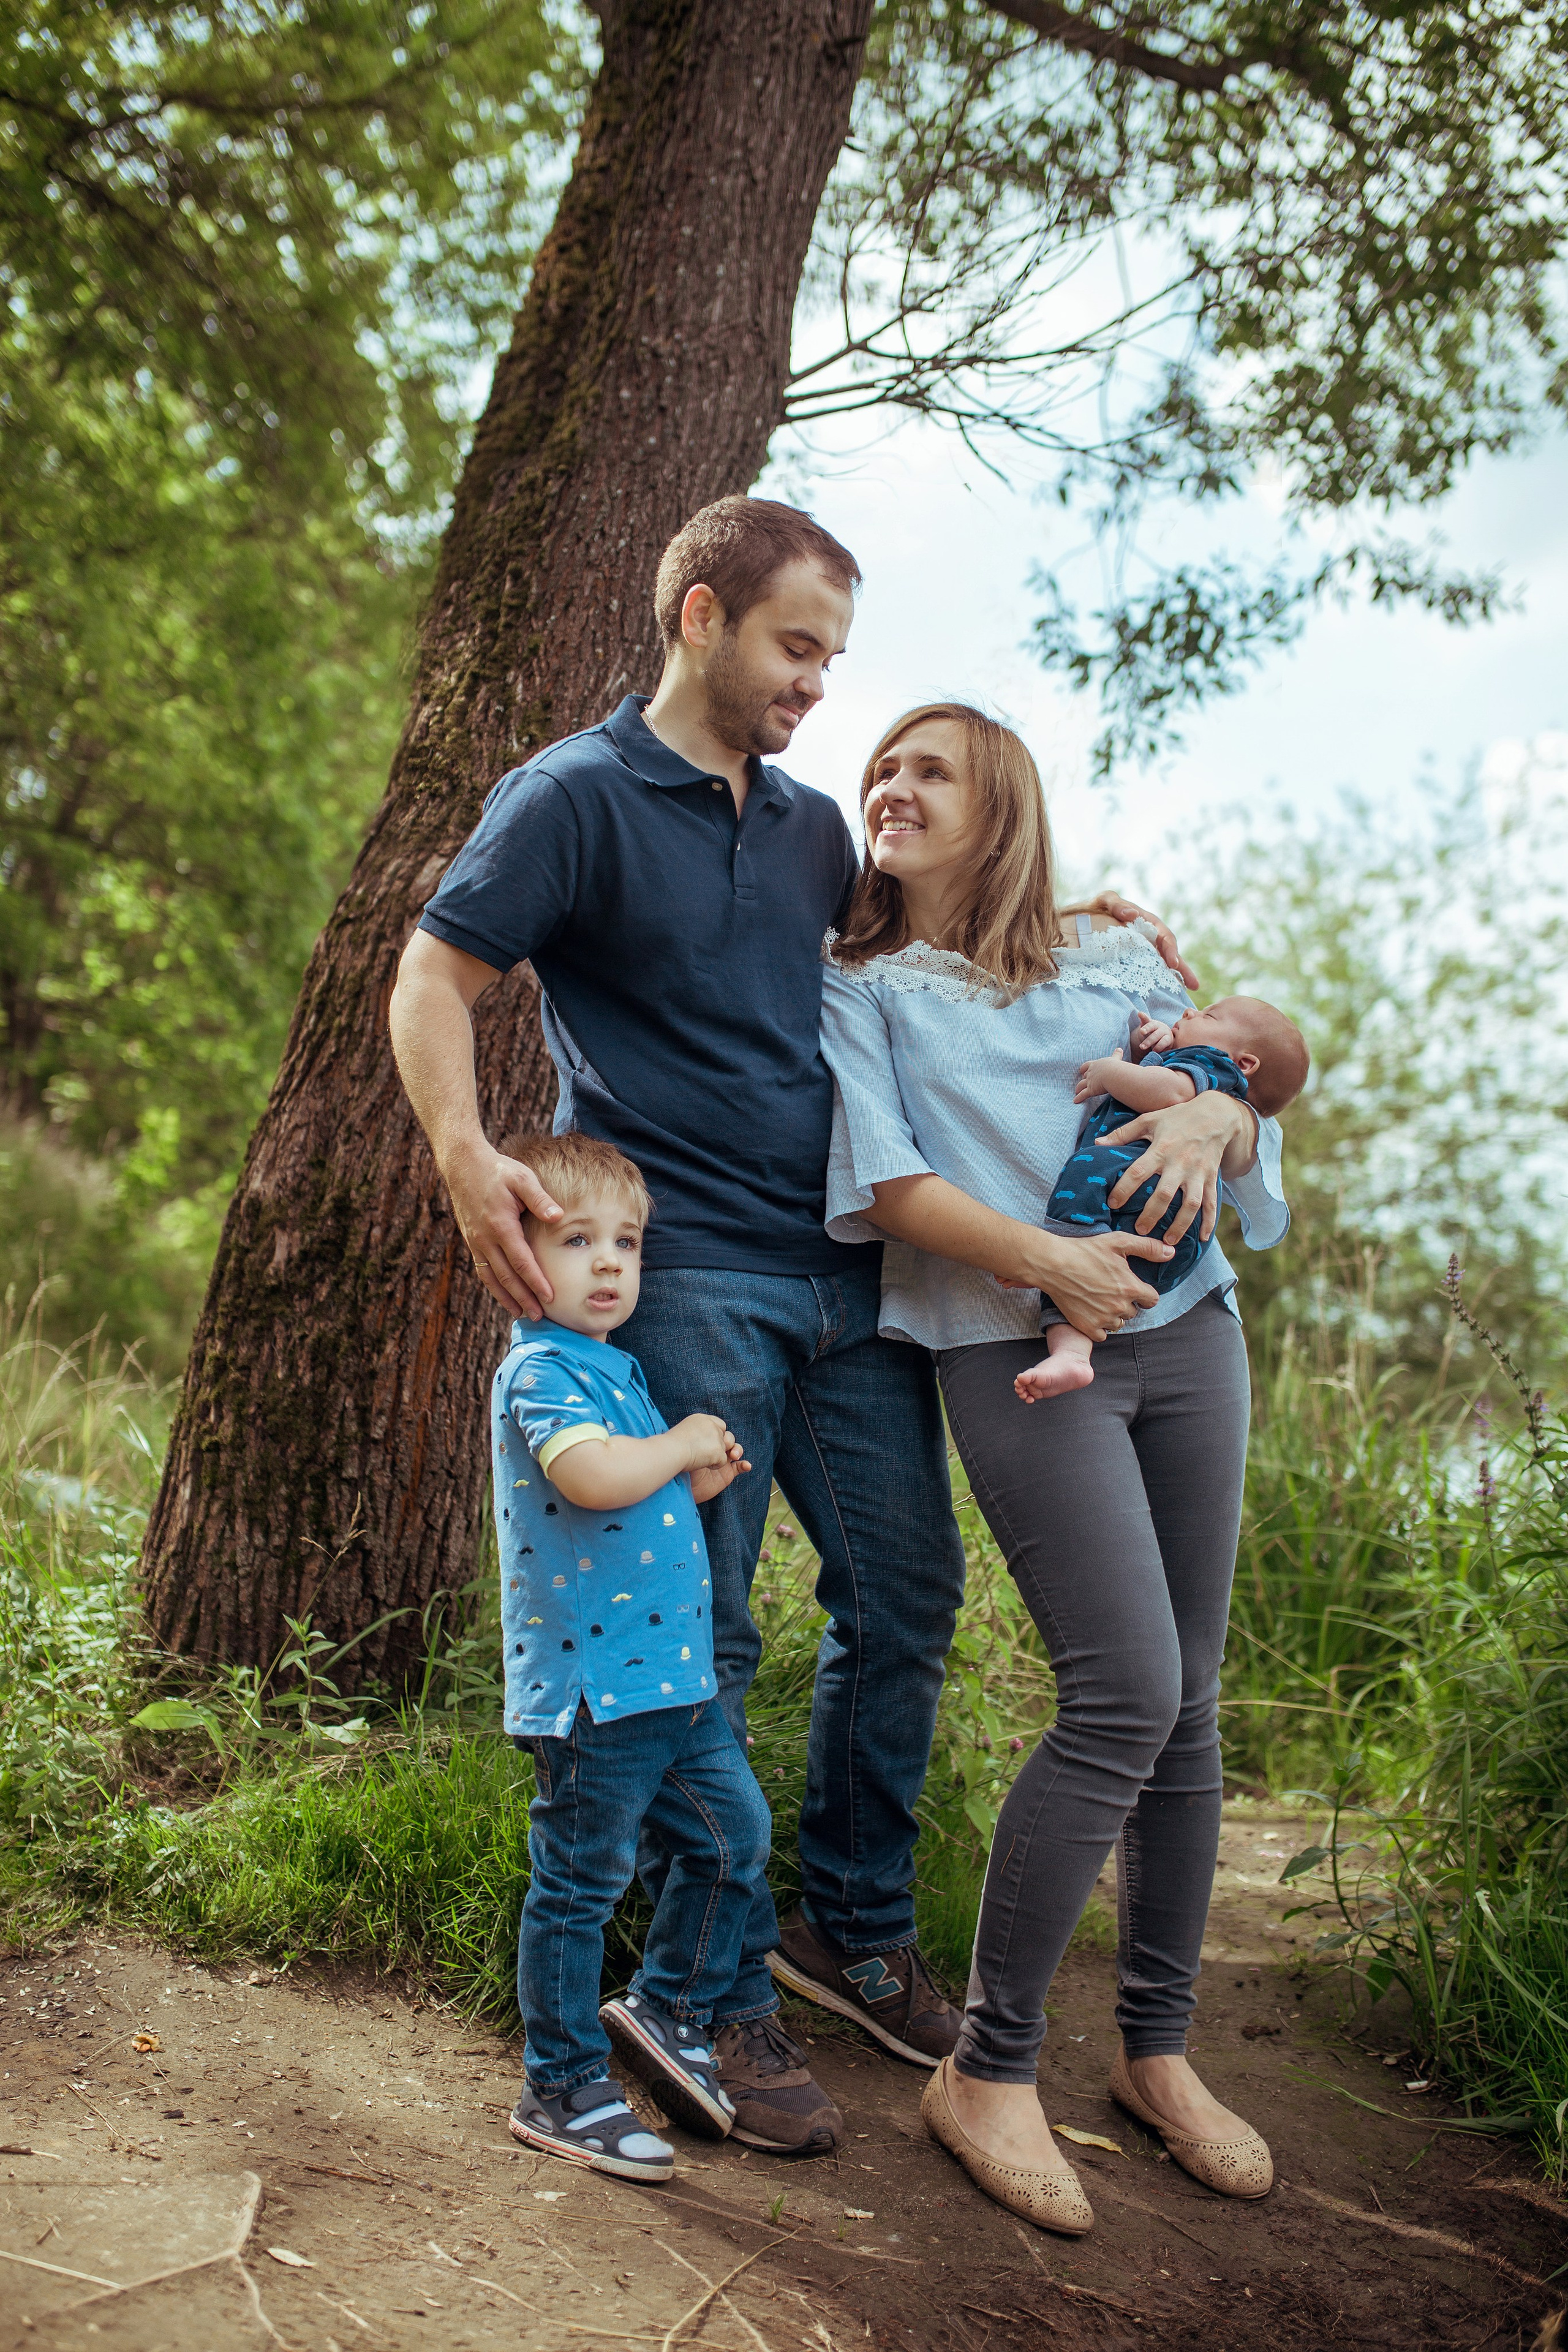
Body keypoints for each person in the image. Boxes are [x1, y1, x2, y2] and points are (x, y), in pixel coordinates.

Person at [389, 495, 1234, 2152]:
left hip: (859, 1280)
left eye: (833, 658)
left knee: (904, 1594)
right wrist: (463, 1149)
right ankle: (704, 1995)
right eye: (795, 649)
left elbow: (927, 956)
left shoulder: (804, 833)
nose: (817, 691)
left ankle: (844, 1923)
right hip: (693, 1273)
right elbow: (435, 974)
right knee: (701, 1638)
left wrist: (1094, 937)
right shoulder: (569, 800)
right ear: (699, 615)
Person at [818, 703, 1290, 2233]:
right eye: (878, 769)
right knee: (1121, 1695)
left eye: (926, 768)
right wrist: (1050, 1262)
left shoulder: (1124, 959)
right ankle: (988, 2067)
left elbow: (1246, 1121)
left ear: (999, 803)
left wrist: (1220, 1107)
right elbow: (885, 1184)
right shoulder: (862, 987)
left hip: (1190, 1331)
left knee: (1191, 1698)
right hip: (1011, 1346)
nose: (889, 787)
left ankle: (1156, 2053)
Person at [496, 1127, 769, 2182]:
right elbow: (594, 1480)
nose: (609, 1263)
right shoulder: (542, 1369)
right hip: (598, 1691)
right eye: (576, 1241)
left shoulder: (616, 1369)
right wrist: (685, 1444)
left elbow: (639, 1487)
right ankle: (559, 2083)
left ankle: (666, 2006)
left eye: (627, 1242)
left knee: (730, 1840)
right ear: (519, 1256)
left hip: (674, 1682)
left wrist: (693, 1475)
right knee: (579, 1882)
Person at [1014, 996, 1309, 1401]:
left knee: (1083, 1178)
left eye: (1207, 1015)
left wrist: (1112, 1072)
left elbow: (1167, 1093)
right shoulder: (1204, 1072)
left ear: (1245, 1064)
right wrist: (1144, 1047)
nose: (1188, 1012)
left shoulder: (1212, 1065)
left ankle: (1045, 1260)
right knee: (1093, 1280)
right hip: (1175, 1231)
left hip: (1143, 1187)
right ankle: (1072, 1354)